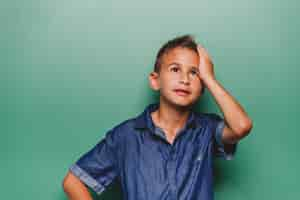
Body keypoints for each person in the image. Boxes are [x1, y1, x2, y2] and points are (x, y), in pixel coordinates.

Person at [62, 34, 253, 200]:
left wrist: (210, 78)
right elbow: (73, 182)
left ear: (202, 86)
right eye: (175, 69)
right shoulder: (126, 136)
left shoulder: (207, 130)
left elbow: (241, 126)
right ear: (155, 80)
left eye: (194, 73)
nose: (184, 79)